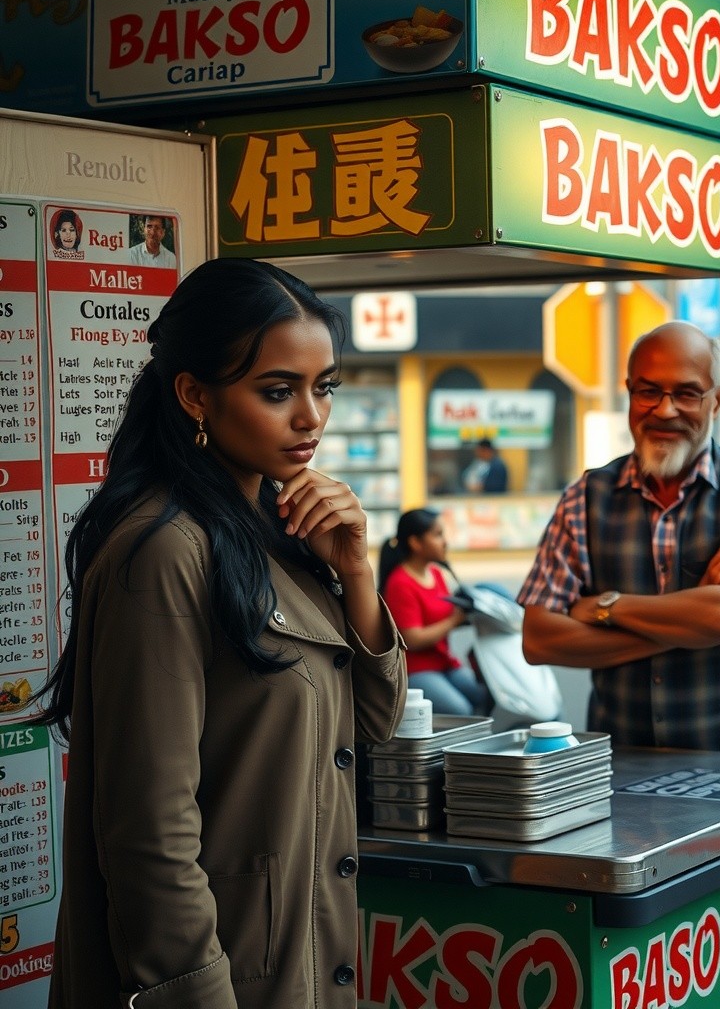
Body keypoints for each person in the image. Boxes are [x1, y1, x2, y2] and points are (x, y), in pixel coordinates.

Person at [30, 258, 406, 1008]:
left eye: (322, 386)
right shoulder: (165, 551)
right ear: (195, 394)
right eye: (277, 391)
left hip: (300, 964)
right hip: (221, 982)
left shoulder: (277, 531)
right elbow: (149, 838)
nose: (311, 417)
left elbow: (370, 724)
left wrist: (356, 572)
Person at [518, 320, 720, 754]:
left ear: (716, 401)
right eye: (649, 391)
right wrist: (694, 613)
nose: (665, 410)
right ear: (630, 393)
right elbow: (539, 639)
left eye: (686, 393)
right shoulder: (584, 498)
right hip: (620, 763)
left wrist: (605, 607)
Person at [379, 508, 488, 715]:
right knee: (460, 711)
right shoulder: (400, 583)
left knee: (488, 696)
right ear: (415, 543)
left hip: (445, 663)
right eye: (437, 535)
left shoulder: (436, 574)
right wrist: (454, 621)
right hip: (418, 670)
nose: (445, 542)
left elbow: (447, 616)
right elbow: (412, 639)